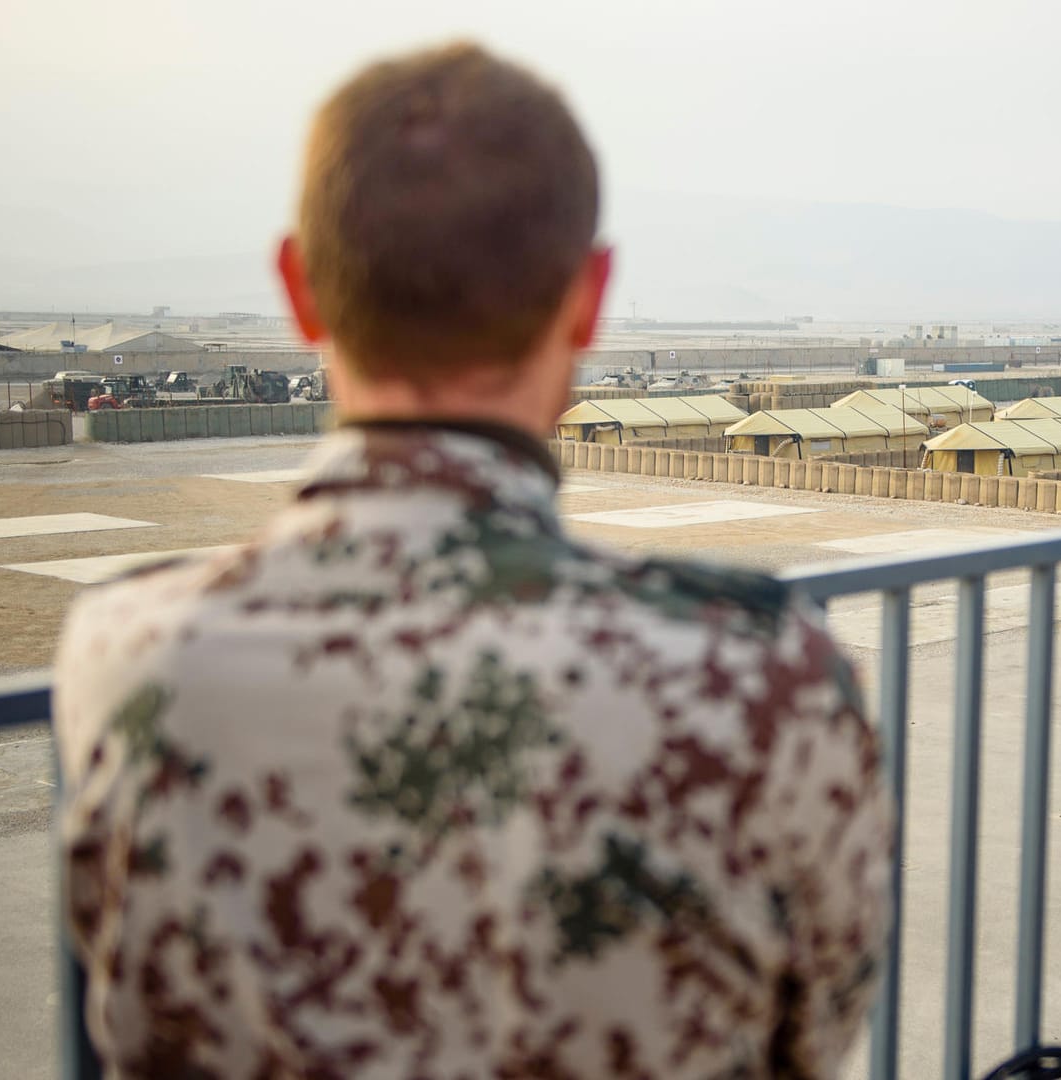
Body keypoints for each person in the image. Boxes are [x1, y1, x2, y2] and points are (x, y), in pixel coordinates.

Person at [54, 43, 890, 1079]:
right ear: (590, 298)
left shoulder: (129, 653)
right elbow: (815, 1035)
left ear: (300, 288)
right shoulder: (772, 679)